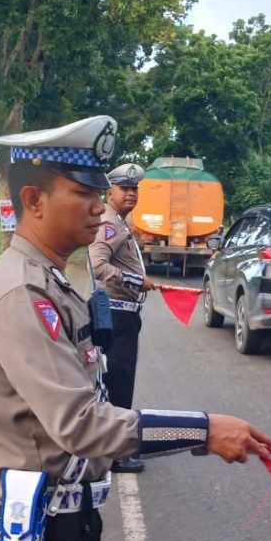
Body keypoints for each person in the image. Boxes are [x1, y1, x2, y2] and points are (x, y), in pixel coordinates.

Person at [0, 115, 271, 541]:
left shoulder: (48, 279)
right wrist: (203, 430)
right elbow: (82, 424)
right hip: (32, 534)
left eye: (101, 193)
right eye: (83, 193)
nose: (99, 207)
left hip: (55, 530)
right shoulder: (19, 293)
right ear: (33, 199)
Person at [88, 161, 152, 474]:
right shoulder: (109, 224)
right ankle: (115, 454)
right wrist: (137, 282)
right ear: (109, 191)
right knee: (118, 382)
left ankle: (114, 448)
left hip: (124, 315)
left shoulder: (121, 223)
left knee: (119, 381)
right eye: (124, 188)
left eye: (134, 189)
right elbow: (98, 265)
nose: (130, 193)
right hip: (116, 313)